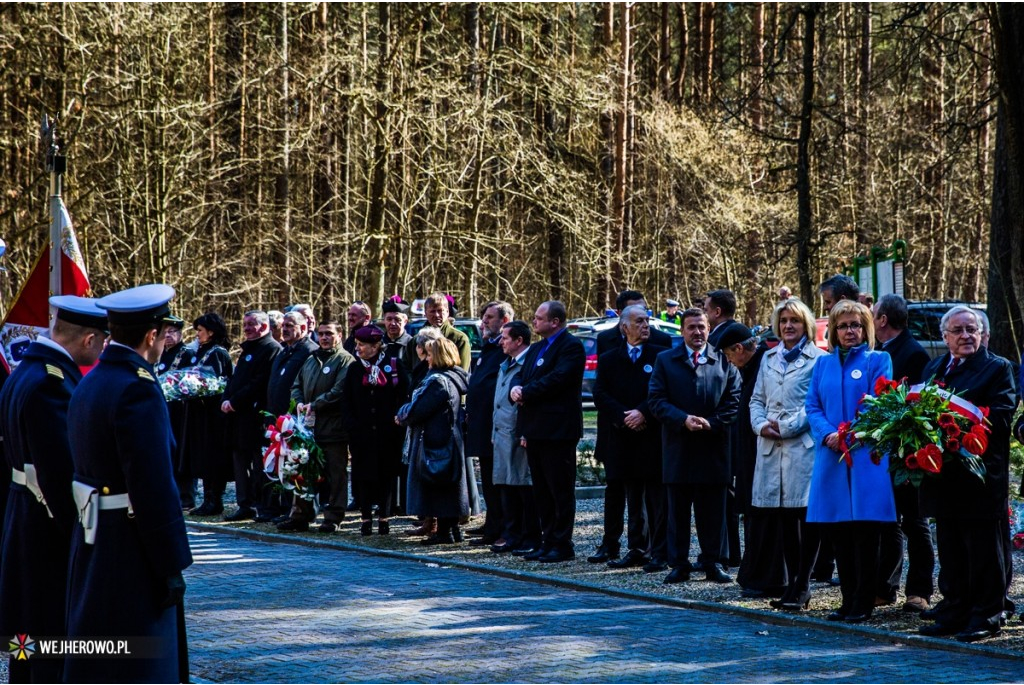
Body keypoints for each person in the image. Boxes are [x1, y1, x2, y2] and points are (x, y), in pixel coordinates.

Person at [65, 284, 192, 683]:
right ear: (151, 335)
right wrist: (171, 563)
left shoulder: (93, 378)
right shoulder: (138, 386)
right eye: (163, 332)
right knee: (140, 659)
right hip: (130, 543)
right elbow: (154, 485)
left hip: (95, 535)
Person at [0, 296, 107, 683]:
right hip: (44, 527)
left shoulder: (27, 369)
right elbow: (60, 473)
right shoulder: (51, 381)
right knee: (46, 631)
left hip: (24, 515)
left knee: (26, 633)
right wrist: (76, 534)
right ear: (89, 339)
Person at [918, 306, 1017, 642]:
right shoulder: (934, 368)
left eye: (971, 329)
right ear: (945, 337)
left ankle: (986, 613)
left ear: (981, 333)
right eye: (958, 330)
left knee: (983, 550)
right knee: (951, 548)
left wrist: (959, 429)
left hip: (981, 477)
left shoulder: (997, 368)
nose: (965, 336)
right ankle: (955, 608)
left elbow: (1002, 419)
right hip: (943, 476)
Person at [805, 300, 894, 623]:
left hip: (864, 457)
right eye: (843, 326)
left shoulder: (878, 360)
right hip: (831, 457)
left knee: (865, 534)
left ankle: (864, 601)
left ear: (866, 328)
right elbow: (812, 406)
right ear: (833, 330)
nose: (849, 331)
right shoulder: (822, 365)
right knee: (839, 533)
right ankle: (847, 599)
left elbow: (879, 403)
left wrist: (852, 434)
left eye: (855, 325)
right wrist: (829, 433)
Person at [648, 307, 741, 584]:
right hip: (679, 448)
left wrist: (711, 423)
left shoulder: (724, 362)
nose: (697, 332)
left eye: (701, 327)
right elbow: (656, 400)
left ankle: (713, 561)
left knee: (713, 511)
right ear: (682, 331)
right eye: (691, 327)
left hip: (713, 448)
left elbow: (734, 400)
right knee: (677, 511)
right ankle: (678, 564)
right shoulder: (665, 361)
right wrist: (683, 419)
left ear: (709, 329)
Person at [746, 297, 825, 611]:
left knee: (804, 518)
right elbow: (756, 399)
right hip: (770, 447)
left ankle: (803, 584)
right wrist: (761, 424)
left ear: (804, 324)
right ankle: (792, 583)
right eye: (783, 321)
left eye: (794, 321)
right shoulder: (768, 358)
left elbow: (814, 404)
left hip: (800, 447)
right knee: (783, 519)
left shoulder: (819, 359)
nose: (788, 326)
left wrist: (786, 427)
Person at [591, 289, 672, 563]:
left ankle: (657, 550)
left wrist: (642, 413)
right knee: (627, 493)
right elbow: (600, 392)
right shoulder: (609, 354)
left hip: (650, 433)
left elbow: (664, 390)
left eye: (647, 320)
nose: (646, 325)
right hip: (620, 434)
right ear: (624, 326)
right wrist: (624, 416)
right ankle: (632, 547)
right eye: (639, 321)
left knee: (655, 496)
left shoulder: (661, 351)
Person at [510, 301, 586, 563]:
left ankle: (562, 543)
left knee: (559, 489)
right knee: (541, 489)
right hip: (535, 428)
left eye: (539, 318)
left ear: (555, 322)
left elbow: (558, 379)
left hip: (559, 430)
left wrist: (526, 392)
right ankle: (547, 539)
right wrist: (516, 388)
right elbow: (523, 375)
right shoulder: (536, 348)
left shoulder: (571, 347)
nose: (535, 321)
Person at [872, 294, 934, 613]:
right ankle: (885, 586)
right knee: (887, 521)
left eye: (873, 313)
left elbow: (917, 404)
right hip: (885, 450)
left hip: (907, 451)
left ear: (883, 320)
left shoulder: (912, 353)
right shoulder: (883, 352)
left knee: (914, 521)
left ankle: (920, 590)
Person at [281, 321, 355, 532]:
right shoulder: (311, 360)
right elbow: (296, 385)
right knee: (303, 469)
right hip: (308, 429)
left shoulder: (345, 360)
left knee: (335, 474)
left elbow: (339, 391)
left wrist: (315, 405)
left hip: (333, 429)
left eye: (329, 334)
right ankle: (300, 516)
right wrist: (300, 404)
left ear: (339, 335)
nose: (324, 338)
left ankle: (333, 517)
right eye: (320, 334)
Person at [399, 337, 471, 545]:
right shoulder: (453, 378)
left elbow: (417, 410)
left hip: (436, 441)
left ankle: (444, 532)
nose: (426, 358)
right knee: (449, 487)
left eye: (430, 354)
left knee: (440, 488)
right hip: (448, 439)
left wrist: (402, 413)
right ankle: (452, 530)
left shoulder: (438, 381)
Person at [715, 321, 770, 588]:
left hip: (761, 452)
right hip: (750, 452)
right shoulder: (752, 366)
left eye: (728, 355)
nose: (729, 361)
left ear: (739, 348)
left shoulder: (762, 366)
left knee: (758, 515)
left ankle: (759, 573)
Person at [343, 325, 408, 536]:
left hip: (387, 433)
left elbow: (404, 395)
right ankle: (365, 518)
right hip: (361, 434)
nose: (358, 348)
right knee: (363, 475)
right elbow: (348, 400)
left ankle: (384, 517)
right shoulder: (354, 368)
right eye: (357, 344)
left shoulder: (394, 365)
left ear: (376, 346)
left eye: (362, 345)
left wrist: (396, 422)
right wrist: (352, 426)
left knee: (386, 475)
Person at [221, 310, 282, 521]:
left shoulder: (271, 349)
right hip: (237, 418)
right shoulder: (248, 349)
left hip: (255, 417)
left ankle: (261, 505)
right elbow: (236, 379)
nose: (246, 328)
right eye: (244, 323)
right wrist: (225, 399)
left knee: (259, 464)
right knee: (240, 463)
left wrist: (235, 401)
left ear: (264, 327)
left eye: (251, 324)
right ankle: (244, 504)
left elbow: (259, 383)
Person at [260, 310, 318, 522]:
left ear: (303, 328)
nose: (284, 329)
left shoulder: (309, 351)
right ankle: (286, 509)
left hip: (296, 420)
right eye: (283, 325)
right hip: (278, 420)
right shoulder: (285, 351)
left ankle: (302, 511)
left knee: (298, 465)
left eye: (290, 325)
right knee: (284, 464)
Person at [465, 300, 514, 545]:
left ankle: (503, 528)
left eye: (489, 318)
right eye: (483, 317)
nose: (483, 322)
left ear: (504, 321)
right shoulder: (488, 349)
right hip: (482, 426)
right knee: (489, 479)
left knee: (500, 480)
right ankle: (492, 524)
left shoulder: (505, 351)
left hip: (498, 426)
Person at [491, 320, 540, 554]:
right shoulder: (506, 363)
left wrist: (526, 431)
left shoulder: (528, 364)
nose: (501, 342)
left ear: (519, 341)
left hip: (518, 434)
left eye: (506, 338)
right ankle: (513, 534)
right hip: (502, 433)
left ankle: (529, 536)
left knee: (524, 486)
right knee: (508, 486)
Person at [186, 313, 234, 516]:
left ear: (211, 332)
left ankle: (215, 499)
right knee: (203, 456)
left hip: (214, 415)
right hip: (201, 413)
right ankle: (207, 498)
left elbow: (214, 382)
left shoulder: (218, 353)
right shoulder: (201, 351)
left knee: (213, 457)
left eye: (200, 331)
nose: (197, 335)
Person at [156, 314, 194, 508]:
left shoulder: (186, 353)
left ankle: (185, 496)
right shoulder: (158, 353)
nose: (168, 336)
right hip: (161, 409)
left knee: (181, 452)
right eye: (165, 332)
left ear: (180, 333)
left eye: (172, 332)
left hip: (180, 411)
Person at [423, 292, 472, 371]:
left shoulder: (459, 338)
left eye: (440, 310)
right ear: (425, 313)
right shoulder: (417, 339)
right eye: (432, 311)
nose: (437, 315)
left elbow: (462, 373)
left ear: (447, 312)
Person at [382, 299, 416, 375]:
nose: (393, 323)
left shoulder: (412, 344)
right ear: (384, 320)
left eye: (397, 319)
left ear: (405, 321)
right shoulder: (378, 344)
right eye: (389, 319)